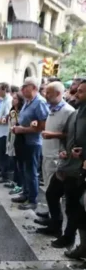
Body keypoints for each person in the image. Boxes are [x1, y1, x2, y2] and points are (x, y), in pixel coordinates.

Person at [39, 80, 86, 256]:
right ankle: (55, 225)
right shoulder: (75, 114)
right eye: (76, 91)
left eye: (80, 92)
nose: (75, 95)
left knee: (73, 206)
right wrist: (65, 151)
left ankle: (69, 237)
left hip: (79, 169)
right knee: (52, 192)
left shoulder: (72, 111)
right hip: (66, 164)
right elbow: (68, 137)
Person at [34, 82, 74, 232]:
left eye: (49, 93)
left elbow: (71, 135)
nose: (46, 95)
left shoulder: (68, 111)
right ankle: (51, 215)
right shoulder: (51, 109)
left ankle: (55, 222)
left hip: (57, 156)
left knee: (53, 191)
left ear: (58, 94)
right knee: (48, 189)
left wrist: (53, 135)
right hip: (47, 153)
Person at [11, 77, 49, 210]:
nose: (22, 89)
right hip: (23, 140)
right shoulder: (28, 101)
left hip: (33, 142)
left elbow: (43, 125)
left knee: (31, 172)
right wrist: (18, 127)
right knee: (23, 169)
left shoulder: (39, 102)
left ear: (33, 87)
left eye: (25, 86)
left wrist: (23, 129)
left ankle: (32, 199)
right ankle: (25, 193)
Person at [6, 91, 25, 195]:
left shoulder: (22, 112)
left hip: (19, 139)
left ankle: (20, 184)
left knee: (19, 163)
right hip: (12, 137)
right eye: (13, 98)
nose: (13, 100)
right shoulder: (12, 111)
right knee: (14, 161)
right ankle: (15, 181)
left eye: (15, 99)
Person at [0, 82, 12, 183]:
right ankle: (1, 171)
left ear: (5, 89)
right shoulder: (3, 101)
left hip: (3, 132)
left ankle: (4, 175)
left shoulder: (9, 101)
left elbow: (8, 117)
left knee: (2, 155)